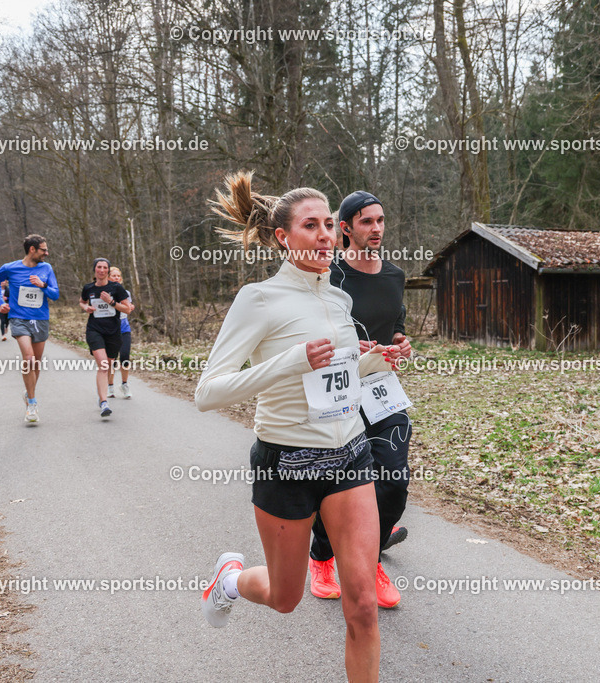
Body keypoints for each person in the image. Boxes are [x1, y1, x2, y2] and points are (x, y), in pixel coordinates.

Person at [195, 171, 401, 683]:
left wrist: (379, 362)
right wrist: (290, 362)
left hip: (350, 457)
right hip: (286, 463)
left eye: (330, 224)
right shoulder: (258, 300)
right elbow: (209, 392)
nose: (326, 235)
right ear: (284, 238)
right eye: (312, 225)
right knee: (285, 598)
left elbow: (338, 375)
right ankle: (231, 579)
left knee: (362, 607)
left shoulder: (338, 300)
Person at [307, 192, 414, 609]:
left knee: (394, 481)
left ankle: (370, 560)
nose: (377, 229)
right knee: (336, 485)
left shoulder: (394, 275)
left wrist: (401, 345)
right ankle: (321, 557)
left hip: (382, 389)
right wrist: (350, 346)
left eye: (381, 220)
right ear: (346, 228)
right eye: (367, 222)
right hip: (337, 389)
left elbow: (397, 327)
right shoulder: (328, 274)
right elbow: (312, 329)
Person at [0, 236, 60, 423]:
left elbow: (56, 294)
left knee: (36, 363)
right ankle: (32, 403)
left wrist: (43, 285)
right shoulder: (10, 268)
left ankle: (28, 392)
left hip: (41, 319)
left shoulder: (47, 269)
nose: (47, 253)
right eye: (43, 250)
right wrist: (0, 303)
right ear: (32, 249)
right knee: (28, 359)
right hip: (19, 318)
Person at [79, 258, 131, 418]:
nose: (101, 270)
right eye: (99, 267)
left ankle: (104, 398)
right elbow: (82, 302)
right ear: (94, 270)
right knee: (102, 365)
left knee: (108, 366)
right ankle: (103, 402)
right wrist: (86, 307)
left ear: (108, 271)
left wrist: (112, 302)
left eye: (104, 267)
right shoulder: (88, 288)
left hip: (113, 332)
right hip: (94, 330)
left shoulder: (116, 287)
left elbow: (127, 309)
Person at [106, 267, 134, 399]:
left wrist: (131, 307)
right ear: (108, 277)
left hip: (124, 329)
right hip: (110, 330)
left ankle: (124, 384)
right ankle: (110, 386)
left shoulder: (126, 292)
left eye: (118, 276)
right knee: (111, 360)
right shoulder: (105, 292)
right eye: (113, 276)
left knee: (125, 357)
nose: (116, 278)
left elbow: (129, 306)